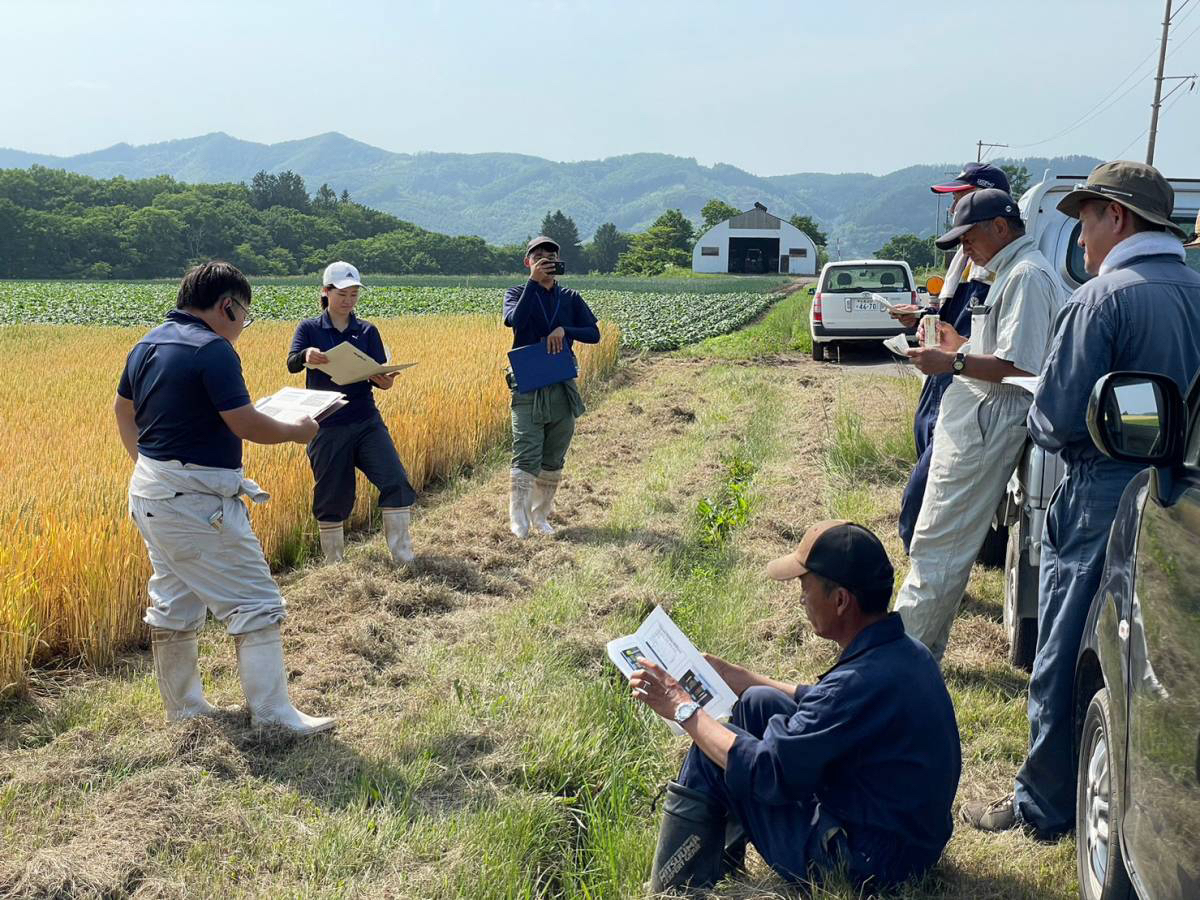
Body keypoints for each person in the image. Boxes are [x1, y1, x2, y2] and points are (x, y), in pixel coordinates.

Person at [961, 161, 1200, 838]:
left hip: (1105, 490)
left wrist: (1039, 417)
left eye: (1087, 219)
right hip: (1184, 493)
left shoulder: (1102, 300)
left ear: (1117, 218)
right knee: (1158, 662)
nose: (1083, 237)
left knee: (1065, 648)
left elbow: (1059, 417)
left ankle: (1044, 806)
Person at [631, 521, 960, 893]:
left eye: (805, 588)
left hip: (867, 865)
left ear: (840, 601)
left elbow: (766, 771)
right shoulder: (905, 653)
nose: (800, 598)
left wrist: (682, 707)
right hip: (908, 842)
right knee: (757, 703)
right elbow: (826, 706)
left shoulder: (854, 684)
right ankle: (720, 860)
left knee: (713, 756)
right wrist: (741, 677)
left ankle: (675, 888)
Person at [113, 260, 334, 734]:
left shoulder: (148, 342)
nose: (241, 329)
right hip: (198, 504)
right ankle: (275, 718)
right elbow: (247, 423)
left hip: (153, 494)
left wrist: (150, 465)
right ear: (227, 306)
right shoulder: (213, 350)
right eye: (245, 317)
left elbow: (122, 410)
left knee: (174, 602)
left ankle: (186, 711)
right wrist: (298, 431)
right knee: (256, 602)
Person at [893, 189, 1064, 663]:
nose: (963, 249)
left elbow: (1019, 364)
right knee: (936, 538)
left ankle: (899, 660)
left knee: (939, 544)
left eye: (967, 238)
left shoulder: (1026, 277)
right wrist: (959, 344)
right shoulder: (1010, 272)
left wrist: (951, 361)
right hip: (979, 413)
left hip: (990, 416)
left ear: (1000, 228)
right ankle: (917, 654)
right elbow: (1000, 349)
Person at [890, 163, 1010, 553]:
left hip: (966, 381)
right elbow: (952, 317)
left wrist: (956, 355)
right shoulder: (967, 258)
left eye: (962, 196)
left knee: (930, 482)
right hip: (943, 376)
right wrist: (923, 318)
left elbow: (996, 347)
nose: (955, 206)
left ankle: (923, 554)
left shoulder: (1005, 269)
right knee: (927, 448)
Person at [287, 261, 416, 565]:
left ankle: (403, 559)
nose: (348, 300)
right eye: (342, 293)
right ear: (326, 292)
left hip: (366, 419)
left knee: (395, 480)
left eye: (354, 294)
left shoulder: (368, 330)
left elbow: (379, 371)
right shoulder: (309, 328)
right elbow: (292, 362)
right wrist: (306, 355)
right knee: (334, 496)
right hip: (327, 424)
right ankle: (335, 566)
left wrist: (383, 381)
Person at [503, 236, 600, 538]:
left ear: (559, 262)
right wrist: (533, 283)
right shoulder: (517, 293)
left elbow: (593, 334)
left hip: (561, 382)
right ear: (527, 262)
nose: (545, 260)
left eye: (551, 256)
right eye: (538, 256)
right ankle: (518, 518)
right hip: (527, 383)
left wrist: (564, 329)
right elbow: (514, 321)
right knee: (526, 449)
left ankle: (540, 515)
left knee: (554, 453)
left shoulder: (570, 297)